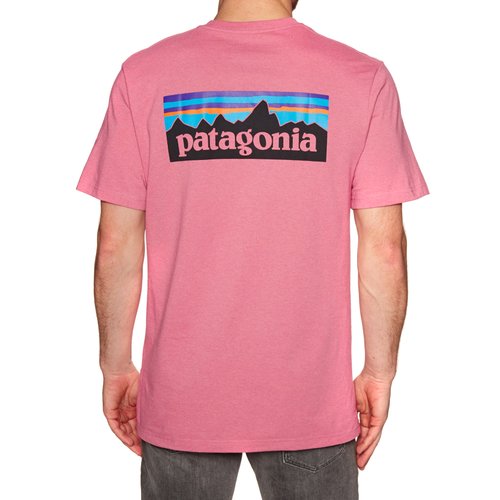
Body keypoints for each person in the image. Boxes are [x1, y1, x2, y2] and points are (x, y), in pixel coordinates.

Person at [75, 0, 429, 498]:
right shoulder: (361, 78)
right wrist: (379, 372)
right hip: (309, 402)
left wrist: (114, 366)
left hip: (183, 399)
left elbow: (116, 245)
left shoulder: (144, 75)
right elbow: (384, 249)